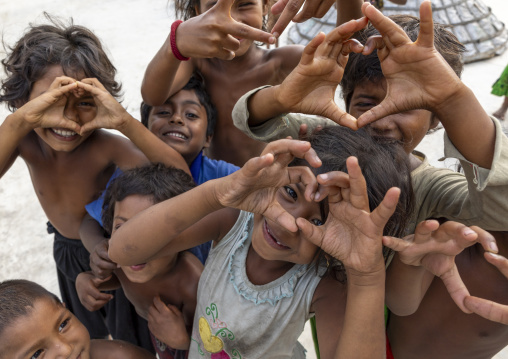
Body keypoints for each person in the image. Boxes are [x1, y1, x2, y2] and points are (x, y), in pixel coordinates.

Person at [231, 2, 508, 357]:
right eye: (366, 101)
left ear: (438, 120)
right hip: (305, 296)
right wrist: (282, 97)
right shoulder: (324, 137)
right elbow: (250, 120)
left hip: (374, 311)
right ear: (345, 103)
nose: (382, 119)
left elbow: (502, 206)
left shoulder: (429, 187)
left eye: (407, 106)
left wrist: (455, 101)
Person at [107, 121, 417, 359]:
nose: (289, 224)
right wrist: (217, 193)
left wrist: (366, 276)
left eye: (319, 221)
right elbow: (123, 249)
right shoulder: (232, 221)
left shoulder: (324, 285)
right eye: (291, 193)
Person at [0, 18, 187, 348]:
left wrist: (124, 122)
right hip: (67, 250)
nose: (67, 119)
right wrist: (21, 119)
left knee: (131, 338)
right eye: (51, 101)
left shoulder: (105, 145)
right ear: (22, 101)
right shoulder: (23, 139)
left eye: (83, 103)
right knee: (76, 335)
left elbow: (180, 180)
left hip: (113, 254)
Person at [141, 0, 366, 166]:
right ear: (196, 14)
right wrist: (176, 42)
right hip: (213, 184)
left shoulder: (282, 62)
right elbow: (153, 96)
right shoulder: (197, 64)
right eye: (212, 7)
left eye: (245, 4)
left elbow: (346, 57)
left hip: (271, 186)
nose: (233, 20)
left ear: (265, 7)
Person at [77, 165, 202, 359]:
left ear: (183, 235)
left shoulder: (192, 283)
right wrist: (87, 280)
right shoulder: (120, 257)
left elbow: (216, 344)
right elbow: (118, 278)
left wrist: (183, 341)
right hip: (159, 339)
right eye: (121, 226)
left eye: (149, 229)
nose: (132, 244)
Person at [0, 279, 155, 359]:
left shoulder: (121, 356)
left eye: (63, 325)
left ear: (66, 308)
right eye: (36, 354)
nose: (66, 349)